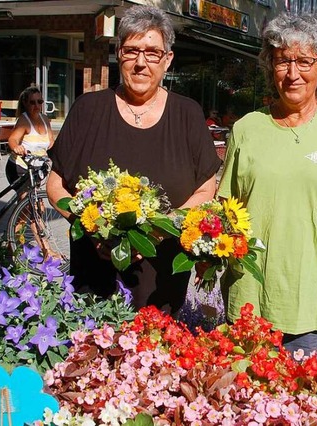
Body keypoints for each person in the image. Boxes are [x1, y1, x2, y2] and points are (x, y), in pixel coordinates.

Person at [217, 13, 317, 356]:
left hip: (312, 305)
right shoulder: (246, 129)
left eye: (304, 61)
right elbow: (225, 212)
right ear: (270, 67)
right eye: (282, 62)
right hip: (249, 301)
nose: (293, 74)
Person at [47, 5, 221, 311]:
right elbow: (56, 185)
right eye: (131, 51)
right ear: (118, 55)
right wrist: (90, 225)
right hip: (93, 273)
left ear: (167, 60)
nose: (141, 63)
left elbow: (206, 190)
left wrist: (161, 227)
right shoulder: (88, 110)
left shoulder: (187, 114)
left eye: (152, 52)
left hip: (161, 284)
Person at [6, 86, 54, 188]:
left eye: (39, 101)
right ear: (25, 103)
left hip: (38, 169)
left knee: (37, 201)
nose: (37, 106)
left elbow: (51, 141)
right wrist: (16, 147)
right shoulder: (24, 120)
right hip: (20, 167)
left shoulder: (45, 119)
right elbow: (12, 139)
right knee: (26, 199)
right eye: (32, 102)